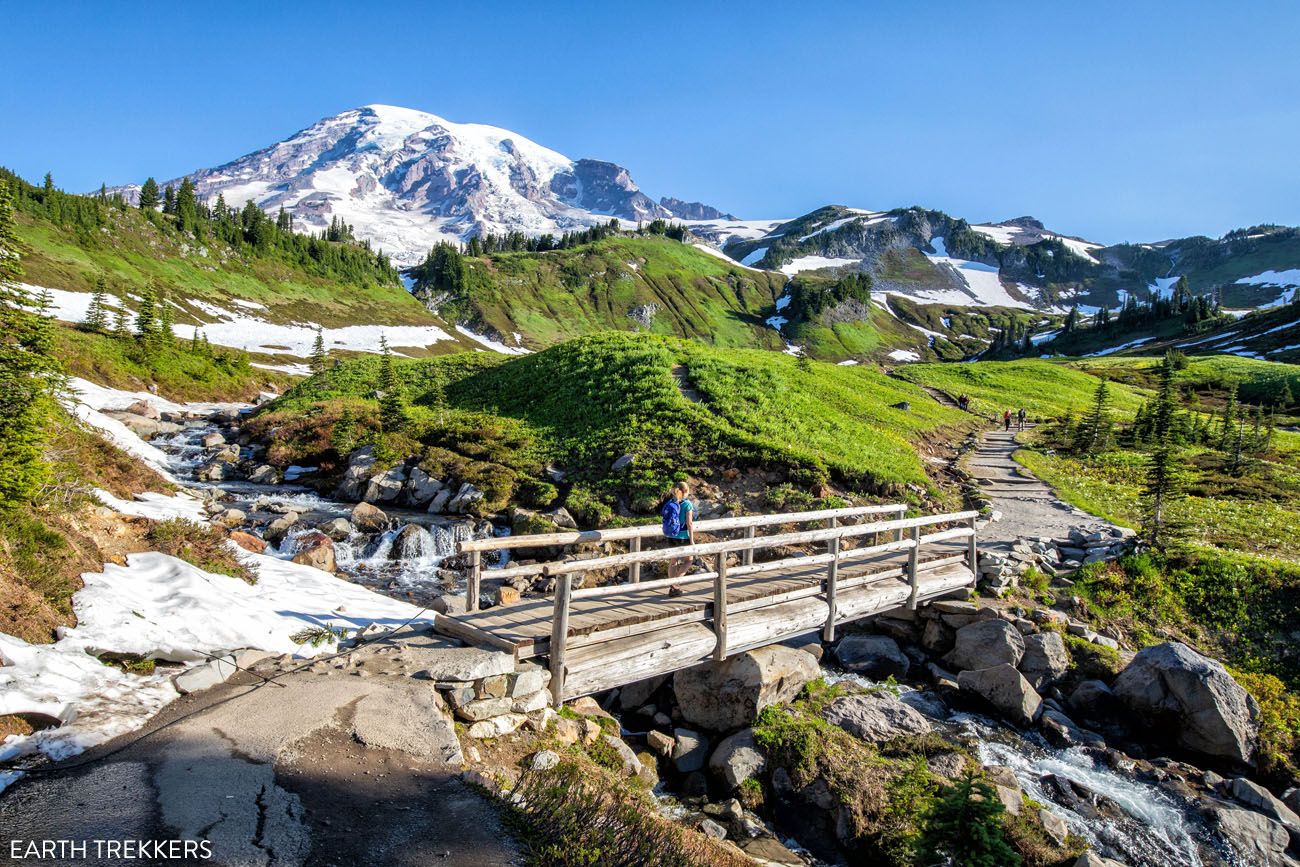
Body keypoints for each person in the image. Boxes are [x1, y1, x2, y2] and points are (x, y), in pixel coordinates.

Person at [660, 480, 696, 581]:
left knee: (673, 561)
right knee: (689, 560)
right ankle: (675, 583)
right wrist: (692, 540)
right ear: (686, 490)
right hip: (683, 536)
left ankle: (672, 584)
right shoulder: (687, 504)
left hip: (671, 535)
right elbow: (689, 523)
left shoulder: (671, 502)